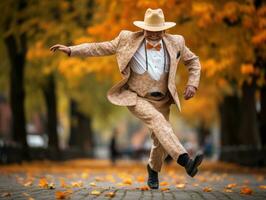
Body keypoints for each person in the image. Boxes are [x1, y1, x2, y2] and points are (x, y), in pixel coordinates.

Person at [50, 8, 203, 189]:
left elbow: (193, 61)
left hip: (163, 99)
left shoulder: (176, 42)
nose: (153, 35)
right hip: (136, 97)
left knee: (160, 138)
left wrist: (192, 84)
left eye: (157, 31)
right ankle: (186, 161)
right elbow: (99, 47)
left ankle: (153, 169)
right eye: (149, 31)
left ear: (164, 30)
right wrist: (71, 50)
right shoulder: (127, 39)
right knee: (158, 121)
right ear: (143, 28)